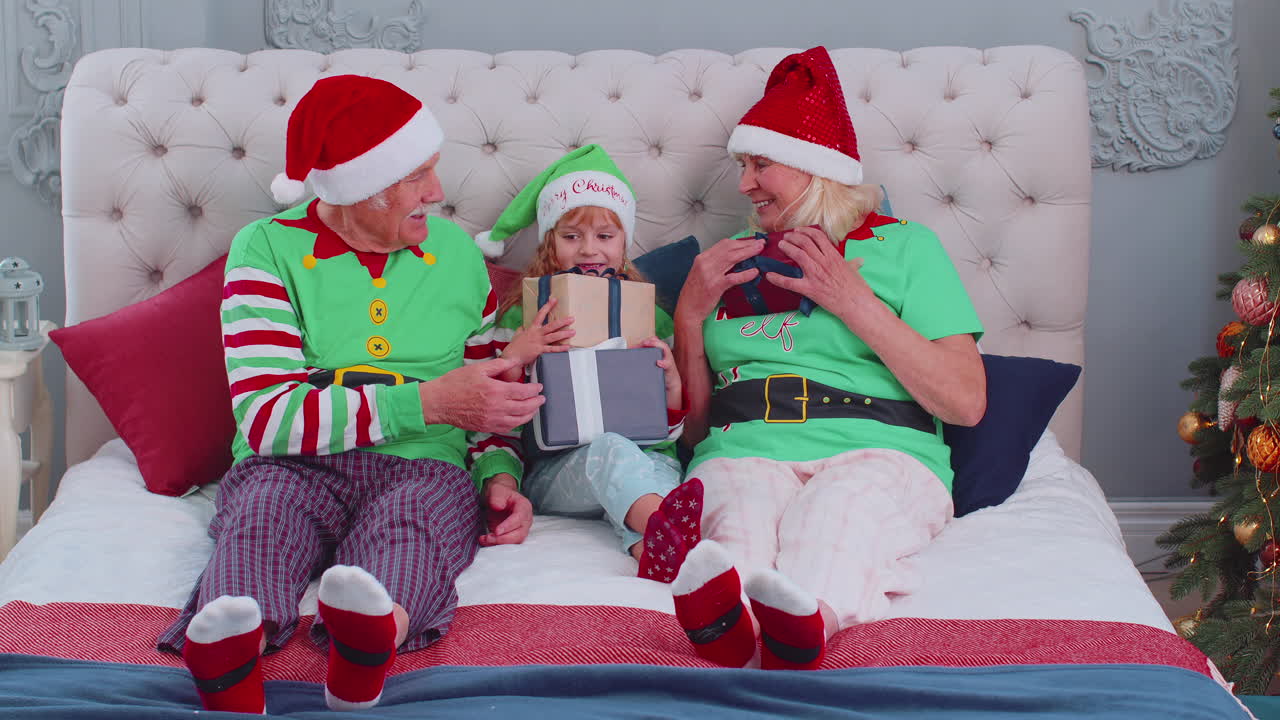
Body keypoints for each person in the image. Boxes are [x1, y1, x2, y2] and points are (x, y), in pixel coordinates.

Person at [155, 74, 544, 713]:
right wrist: (428, 403)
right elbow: (267, 420)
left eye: (433, 169)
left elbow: (485, 395)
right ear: (361, 187)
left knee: (415, 526)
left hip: (423, 465)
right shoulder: (265, 249)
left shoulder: (457, 255)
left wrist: (500, 476)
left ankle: (367, 645)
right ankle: (230, 656)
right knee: (262, 519)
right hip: (290, 462)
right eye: (416, 176)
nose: (437, 192)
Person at [669, 46, 987, 671]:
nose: (744, 184)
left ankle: (808, 622)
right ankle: (734, 628)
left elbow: (966, 402)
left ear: (814, 169)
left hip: (880, 450)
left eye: (761, 165)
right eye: (743, 166)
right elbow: (696, 433)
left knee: (838, 510)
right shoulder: (728, 261)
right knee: (739, 511)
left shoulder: (906, 247)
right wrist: (688, 316)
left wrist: (853, 301)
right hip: (744, 448)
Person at [472, 144, 703, 583]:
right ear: (549, 241)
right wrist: (516, 357)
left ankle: (660, 556)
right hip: (561, 471)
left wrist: (672, 385)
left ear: (624, 242)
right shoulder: (519, 319)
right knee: (611, 450)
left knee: (651, 473)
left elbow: (667, 435)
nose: (589, 250)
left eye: (605, 236)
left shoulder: (652, 319)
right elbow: (488, 424)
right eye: (572, 236)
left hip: (647, 460)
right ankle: (678, 536)